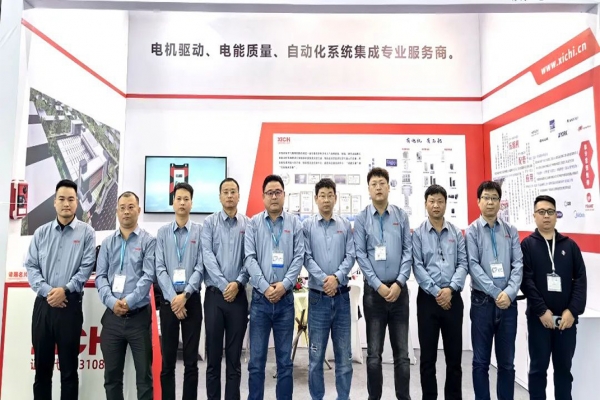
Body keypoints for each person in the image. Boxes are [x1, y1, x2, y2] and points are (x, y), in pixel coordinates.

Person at [25, 179, 96, 400]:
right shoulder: (41, 233)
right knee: (42, 371)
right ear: (54, 202)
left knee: (69, 371)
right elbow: (31, 266)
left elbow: (86, 268)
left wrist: (65, 290)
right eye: (62, 199)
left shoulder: (87, 233)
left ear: (77, 203)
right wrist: (49, 291)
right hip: (43, 307)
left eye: (71, 199)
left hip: (70, 306)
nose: (66, 204)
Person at [353, 167, 412, 400]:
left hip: (399, 292)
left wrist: (399, 282)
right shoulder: (361, 219)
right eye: (374, 184)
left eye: (382, 183)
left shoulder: (401, 216)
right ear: (368, 189)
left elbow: (408, 251)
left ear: (389, 187)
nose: (378, 187)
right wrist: (378, 285)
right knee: (374, 355)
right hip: (373, 294)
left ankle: (403, 397)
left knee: (402, 355)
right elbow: (361, 255)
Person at [520, 195, 587, 400]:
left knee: (564, 371)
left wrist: (572, 311)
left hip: (566, 322)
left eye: (550, 211)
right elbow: (526, 281)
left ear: (556, 215)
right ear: (534, 216)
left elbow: (580, 280)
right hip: (539, 320)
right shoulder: (527, 245)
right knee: (538, 370)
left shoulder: (570, 246)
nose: (546, 216)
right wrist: (541, 311)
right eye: (541, 212)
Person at [245, 174, 305, 400]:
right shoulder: (253, 224)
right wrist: (265, 287)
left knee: (284, 363)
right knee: (256, 362)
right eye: (269, 193)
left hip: (285, 301)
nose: (273, 196)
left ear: (284, 195)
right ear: (263, 197)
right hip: (260, 301)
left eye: (277, 192)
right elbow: (249, 258)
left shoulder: (294, 224)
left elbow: (298, 257)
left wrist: (284, 285)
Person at [95, 191, 156, 400]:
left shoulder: (148, 241)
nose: (126, 212)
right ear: (117, 211)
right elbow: (100, 277)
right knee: (112, 378)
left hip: (138, 318)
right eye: (122, 208)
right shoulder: (107, 243)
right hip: (112, 318)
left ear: (138, 210)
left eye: (131, 207)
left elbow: (148, 276)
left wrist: (129, 301)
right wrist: (112, 302)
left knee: (144, 378)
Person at [466, 180, 523, 400]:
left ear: (500, 202)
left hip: (508, 304)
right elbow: (473, 265)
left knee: (507, 363)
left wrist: (509, 292)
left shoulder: (510, 231)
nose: (490, 202)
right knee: (481, 362)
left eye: (494, 198)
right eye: (486, 198)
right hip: (482, 303)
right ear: (478, 201)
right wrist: (495, 292)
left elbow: (518, 264)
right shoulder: (472, 231)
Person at [412, 184, 468, 400]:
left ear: (446, 204)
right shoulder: (418, 234)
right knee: (427, 359)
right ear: (425, 204)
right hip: (428, 301)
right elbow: (417, 267)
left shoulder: (456, 233)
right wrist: (437, 292)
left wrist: (450, 289)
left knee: (454, 359)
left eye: (440, 201)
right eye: (432, 201)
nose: (436, 205)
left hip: (453, 300)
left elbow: (463, 264)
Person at [303, 178, 355, 400]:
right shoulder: (307, 226)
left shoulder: (345, 225)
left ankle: (343, 397)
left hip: (341, 298)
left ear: (335, 198)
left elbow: (351, 255)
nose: (326, 199)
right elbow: (306, 257)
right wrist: (326, 280)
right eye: (322, 195)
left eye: (330, 195)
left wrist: (337, 278)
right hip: (318, 298)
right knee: (316, 358)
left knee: (344, 358)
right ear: (316, 199)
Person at [202, 178, 250, 400]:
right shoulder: (209, 223)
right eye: (226, 192)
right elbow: (207, 256)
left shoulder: (248, 224)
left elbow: (250, 258)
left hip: (238, 298)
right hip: (214, 297)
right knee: (213, 359)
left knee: (234, 360)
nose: (229, 195)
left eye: (233, 192)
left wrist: (237, 283)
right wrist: (224, 285)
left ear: (239, 196)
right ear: (220, 196)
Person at [155, 182, 204, 400]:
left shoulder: (200, 232)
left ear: (191, 203)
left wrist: (185, 296)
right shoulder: (163, 233)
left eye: (186, 199)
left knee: (191, 362)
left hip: (191, 301)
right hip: (169, 303)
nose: (182, 202)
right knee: (167, 362)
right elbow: (159, 268)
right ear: (173, 202)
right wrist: (174, 299)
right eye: (178, 199)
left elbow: (201, 267)